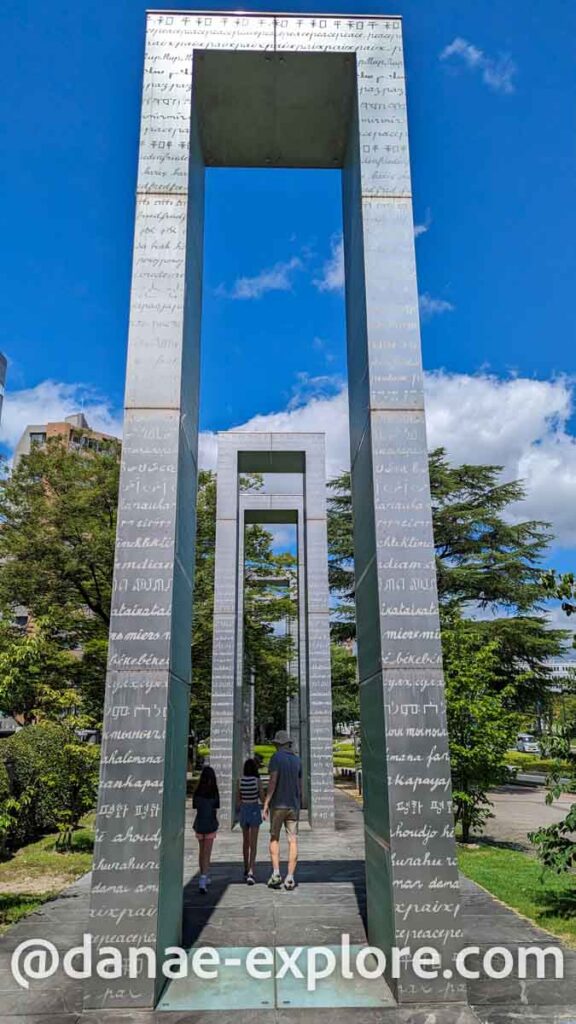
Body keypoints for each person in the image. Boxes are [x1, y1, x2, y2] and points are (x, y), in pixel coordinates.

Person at [263, 730, 302, 891]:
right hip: (293, 805)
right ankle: (291, 877)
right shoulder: (297, 760)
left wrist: (266, 803)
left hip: (278, 805)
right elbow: (300, 787)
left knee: (274, 838)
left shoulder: (276, 758)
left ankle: (276, 873)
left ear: (277, 744)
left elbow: (273, 781)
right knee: (292, 840)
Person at [236, 757, 264, 885]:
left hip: (244, 810)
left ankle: (245, 867)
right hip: (254, 809)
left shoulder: (240, 781)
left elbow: (238, 800)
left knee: (245, 841)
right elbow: (262, 798)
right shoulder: (257, 781)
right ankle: (252, 870)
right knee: (254, 843)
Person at [192, 765, 219, 894]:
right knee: (207, 853)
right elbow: (216, 806)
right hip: (210, 824)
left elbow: (195, 806)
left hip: (199, 823)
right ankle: (204, 878)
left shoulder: (197, 792)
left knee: (201, 851)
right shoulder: (213, 792)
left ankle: (203, 874)